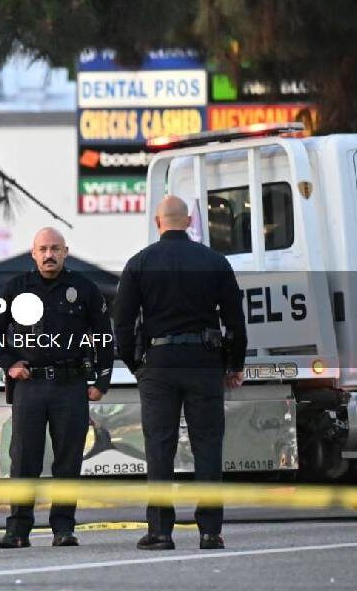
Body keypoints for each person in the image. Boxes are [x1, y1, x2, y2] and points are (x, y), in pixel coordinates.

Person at [113, 195, 248, 552]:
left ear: (158, 222)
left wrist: (136, 366)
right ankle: (210, 532)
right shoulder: (215, 262)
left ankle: (160, 532)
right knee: (208, 446)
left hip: (158, 364)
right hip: (204, 362)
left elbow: (122, 323)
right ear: (189, 222)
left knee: (159, 447)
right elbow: (235, 320)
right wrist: (234, 364)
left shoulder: (139, 263)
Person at [0, 227, 114, 549]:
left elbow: (104, 335)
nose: (49, 255)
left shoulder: (83, 288)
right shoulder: (17, 288)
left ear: (65, 252)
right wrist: (9, 364)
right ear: (33, 253)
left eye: (55, 249)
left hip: (70, 385)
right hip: (29, 385)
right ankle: (18, 530)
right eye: (43, 249)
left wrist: (101, 381)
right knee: (24, 459)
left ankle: (64, 528)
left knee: (68, 460)